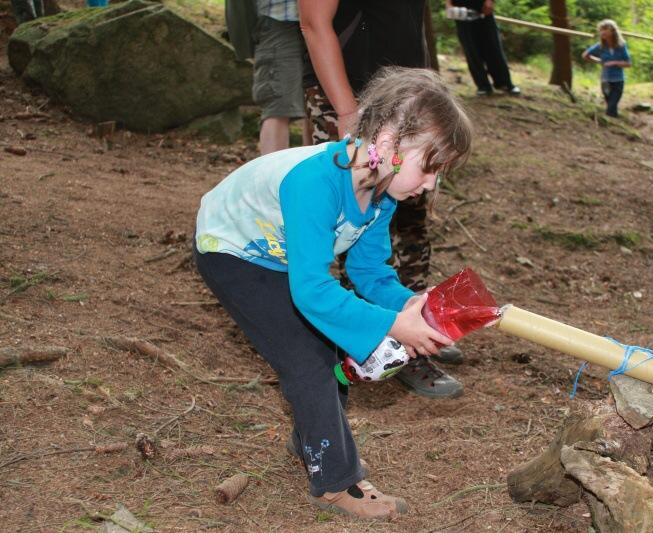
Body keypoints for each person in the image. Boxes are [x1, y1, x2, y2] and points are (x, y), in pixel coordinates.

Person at [194, 66, 472, 519]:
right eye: (429, 168)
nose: (430, 184)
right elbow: (312, 291)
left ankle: (313, 440)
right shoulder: (315, 183)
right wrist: (393, 325)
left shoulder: (381, 191)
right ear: (388, 144)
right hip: (232, 253)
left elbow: (369, 271)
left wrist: (408, 306)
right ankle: (336, 484)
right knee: (307, 360)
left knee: (326, 348)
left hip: (284, 260)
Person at [299, 0, 467, 399]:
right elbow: (314, 22)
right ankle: (352, 347)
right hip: (357, 98)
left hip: (411, 104)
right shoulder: (320, 181)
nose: (433, 185)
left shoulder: (395, 188)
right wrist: (347, 112)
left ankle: (411, 333)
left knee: (401, 228)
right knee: (334, 234)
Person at [225, 0, 309, 154]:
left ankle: (312, 169)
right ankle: (273, 170)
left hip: (324, 20)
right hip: (279, 20)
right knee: (278, 107)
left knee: (315, 104)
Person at [445, 0, 520, 97]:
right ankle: (483, 86)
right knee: (472, 52)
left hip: (484, 11)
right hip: (462, 14)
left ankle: (504, 83)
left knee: (494, 48)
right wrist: (448, 4)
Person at [582, 19, 631, 118]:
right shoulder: (600, 46)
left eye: (605, 29)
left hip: (618, 80)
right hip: (605, 80)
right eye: (601, 30)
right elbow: (585, 55)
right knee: (610, 105)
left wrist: (615, 62)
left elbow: (628, 63)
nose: (602, 32)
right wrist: (599, 61)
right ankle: (614, 121)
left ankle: (610, 121)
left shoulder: (621, 46)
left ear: (613, 31)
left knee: (612, 105)